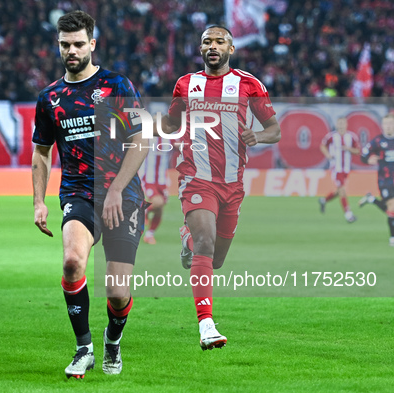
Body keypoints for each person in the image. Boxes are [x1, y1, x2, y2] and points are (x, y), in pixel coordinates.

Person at [31, 11, 148, 378]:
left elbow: (142, 141)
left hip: (123, 195)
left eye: (79, 44)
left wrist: (115, 189)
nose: (72, 50)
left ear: (92, 44)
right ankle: (84, 349)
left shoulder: (116, 86)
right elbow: (41, 151)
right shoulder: (50, 98)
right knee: (72, 263)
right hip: (78, 193)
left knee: (116, 291)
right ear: (58, 45)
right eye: (65, 44)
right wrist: (38, 201)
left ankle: (113, 341)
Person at [157, 25, 280, 350]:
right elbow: (171, 123)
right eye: (207, 42)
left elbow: (274, 130)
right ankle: (206, 325)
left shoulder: (249, 84)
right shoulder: (186, 84)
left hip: (232, 183)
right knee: (206, 244)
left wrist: (259, 136)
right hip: (195, 176)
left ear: (231, 48)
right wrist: (151, 123)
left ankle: (186, 237)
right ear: (201, 49)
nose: (213, 46)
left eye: (219, 41)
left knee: (216, 259)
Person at [358, 113, 394, 246]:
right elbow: (363, 154)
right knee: (392, 205)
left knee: (390, 209)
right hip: (385, 180)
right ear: (382, 126)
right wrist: (368, 159)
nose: (388, 126)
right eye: (386, 124)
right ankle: (392, 238)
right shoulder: (378, 141)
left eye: (390, 123)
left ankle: (371, 199)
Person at [318, 117, 360, 223]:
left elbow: (357, 151)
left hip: (346, 169)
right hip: (336, 168)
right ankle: (348, 215)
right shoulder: (331, 136)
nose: (341, 125)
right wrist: (328, 155)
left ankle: (323, 200)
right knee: (342, 190)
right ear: (337, 125)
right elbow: (322, 146)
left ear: (346, 124)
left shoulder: (351, 137)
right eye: (339, 123)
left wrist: (348, 149)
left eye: (343, 123)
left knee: (339, 191)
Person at [139, 136, 172, 245]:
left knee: (159, 209)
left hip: (162, 180)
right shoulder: (147, 138)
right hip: (148, 178)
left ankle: (149, 235)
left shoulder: (170, 138)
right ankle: (143, 212)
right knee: (158, 202)